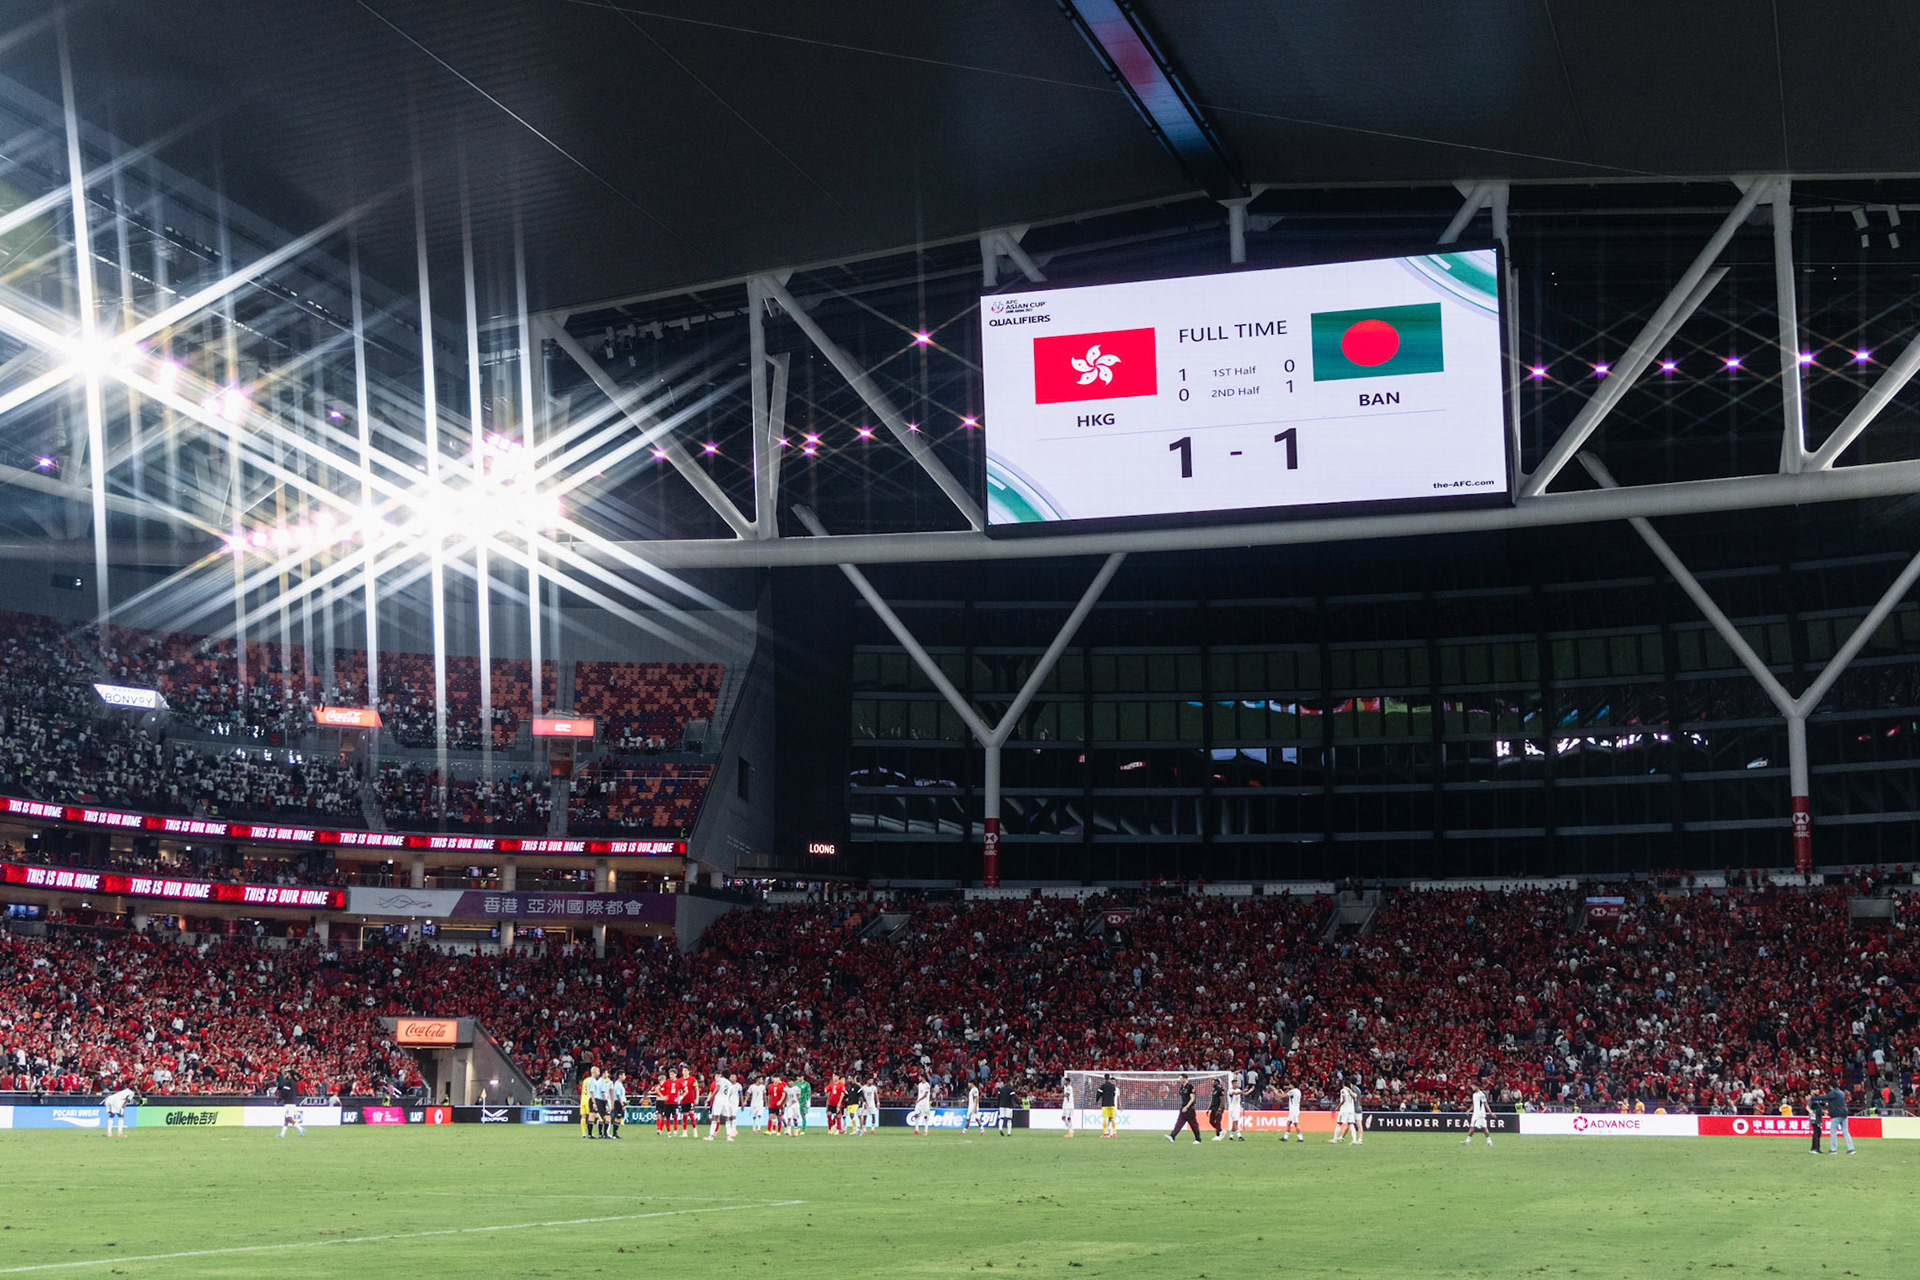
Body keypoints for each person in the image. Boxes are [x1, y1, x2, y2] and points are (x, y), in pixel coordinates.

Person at [1821, 1084, 1855, 1155]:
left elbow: (1826, 1098)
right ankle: (1851, 1148)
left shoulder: (1832, 1093)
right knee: (1846, 1132)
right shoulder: (1842, 1093)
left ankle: (1833, 1149)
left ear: (1831, 1086)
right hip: (1844, 1114)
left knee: (1833, 1132)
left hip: (1836, 1115)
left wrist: (1814, 1098)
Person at [1168, 1074, 1202, 1144]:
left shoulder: (1190, 1086)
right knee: (1179, 1123)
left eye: (1181, 1078)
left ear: (1184, 1078)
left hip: (1189, 1109)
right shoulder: (1181, 1087)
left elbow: (1192, 1099)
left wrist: (1187, 1107)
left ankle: (1198, 1139)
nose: (1180, 1080)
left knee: (1193, 1124)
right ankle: (1172, 1136)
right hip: (1183, 1108)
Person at [276, 1070, 304, 1138]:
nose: (286, 1075)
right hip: (292, 1101)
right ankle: (282, 1133)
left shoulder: (288, 1082)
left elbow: (284, 1092)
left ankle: (300, 1128)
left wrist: (278, 1101)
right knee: (286, 1118)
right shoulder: (294, 1082)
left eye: (287, 1073)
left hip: (288, 1102)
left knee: (288, 1118)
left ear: (289, 1074)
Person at [608, 1072, 629, 1140]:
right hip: (618, 1102)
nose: (625, 1076)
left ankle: (615, 1133)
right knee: (618, 1117)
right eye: (624, 1075)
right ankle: (614, 1134)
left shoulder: (620, 1084)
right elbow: (618, 1095)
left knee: (619, 1118)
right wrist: (622, 1104)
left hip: (621, 1102)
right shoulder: (617, 1084)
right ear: (620, 1076)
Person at [1806, 1090, 1827, 1156]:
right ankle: (1815, 1149)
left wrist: (1824, 1111)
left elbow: (1822, 1106)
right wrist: (1811, 1112)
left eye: (1817, 1089)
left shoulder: (1819, 1099)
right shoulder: (1812, 1099)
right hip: (1814, 1116)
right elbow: (1807, 1107)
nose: (1817, 1091)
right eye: (1815, 1090)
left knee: (1818, 1132)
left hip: (1818, 1116)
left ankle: (1815, 1148)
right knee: (1816, 1131)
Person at [1226, 1072, 1245, 1141]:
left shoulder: (1238, 1090)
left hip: (1237, 1107)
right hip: (1232, 1108)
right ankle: (1239, 1136)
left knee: (1235, 1122)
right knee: (1235, 1121)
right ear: (1233, 1084)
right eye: (1236, 1083)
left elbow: (1243, 1094)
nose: (1237, 1084)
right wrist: (1242, 1092)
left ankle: (1231, 1136)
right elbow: (1235, 1093)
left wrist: (1250, 1090)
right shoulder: (1230, 1090)